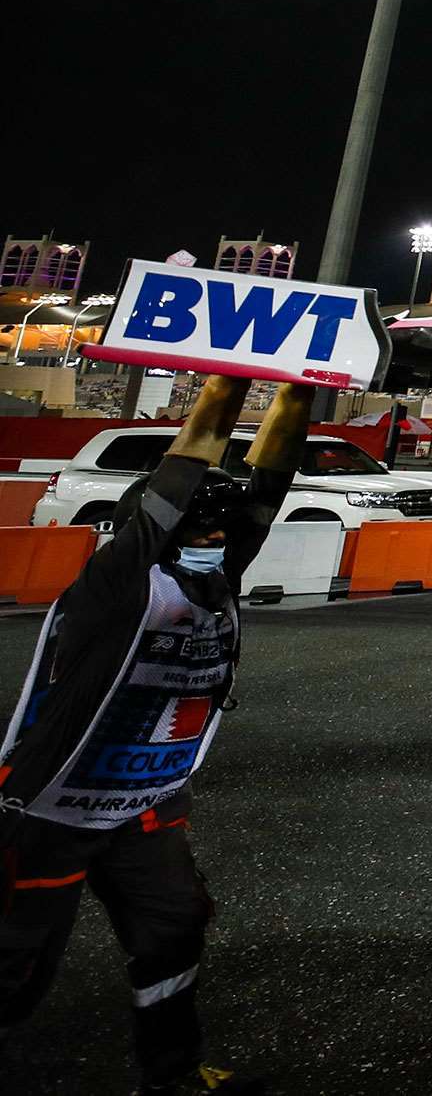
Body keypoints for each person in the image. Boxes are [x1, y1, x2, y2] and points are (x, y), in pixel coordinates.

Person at [1, 375, 309, 1095]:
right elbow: (183, 467)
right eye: (197, 527)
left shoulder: (219, 576)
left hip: (145, 810)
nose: (213, 538)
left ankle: (170, 1078)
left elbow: (270, 482)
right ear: (157, 527)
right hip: (49, 813)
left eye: (218, 531)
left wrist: (301, 390)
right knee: (12, 972)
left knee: (174, 933)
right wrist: (228, 379)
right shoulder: (118, 583)